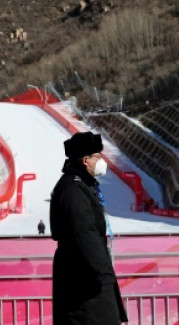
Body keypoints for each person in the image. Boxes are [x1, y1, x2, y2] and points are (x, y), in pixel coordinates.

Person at [50, 131, 128, 325]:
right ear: (86, 160)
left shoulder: (82, 185)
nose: (102, 161)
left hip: (88, 276)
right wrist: (103, 272)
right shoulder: (73, 188)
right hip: (83, 279)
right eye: (98, 157)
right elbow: (84, 233)